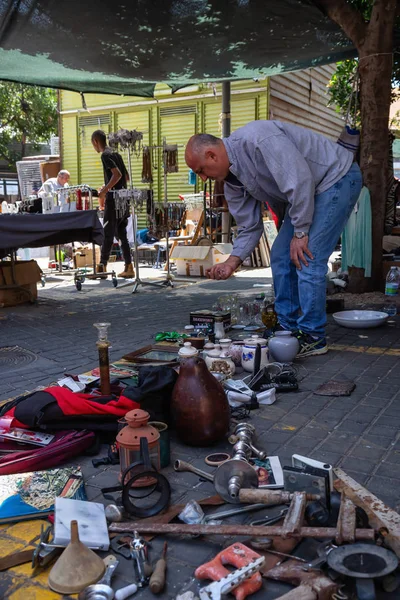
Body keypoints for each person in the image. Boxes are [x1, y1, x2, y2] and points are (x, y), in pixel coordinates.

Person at [185, 121, 363, 357]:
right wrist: (231, 262)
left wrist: (300, 232)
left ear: (211, 155)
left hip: (335, 179)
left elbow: (299, 180)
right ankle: (287, 328)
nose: (204, 178)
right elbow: (250, 226)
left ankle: (313, 336)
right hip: (308, 192)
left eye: (201, 171)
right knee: (280, 254)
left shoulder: (258, 139)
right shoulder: (232, 182)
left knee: (307, 257)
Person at [91, 130, 134, 278]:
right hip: (123, 198)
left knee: (108, 232)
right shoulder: (116, 154)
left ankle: (102, 267)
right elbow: (126, 177)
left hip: (114, 200)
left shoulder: (106, 155)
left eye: (93, 144)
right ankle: (129, 266)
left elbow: (118, 175)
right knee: (121, 233)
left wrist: (105, 190)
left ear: (96, 142)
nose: (94, 148)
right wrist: (108, 184)